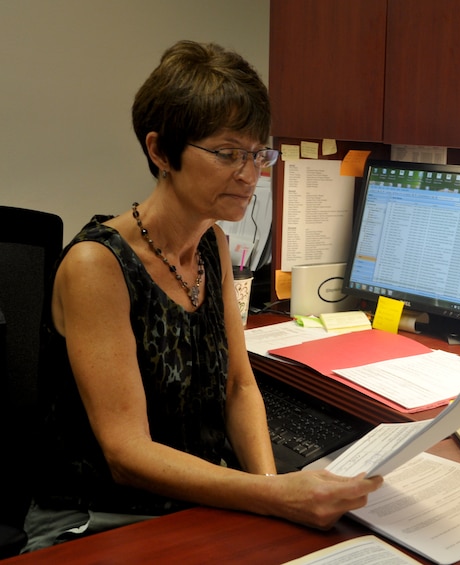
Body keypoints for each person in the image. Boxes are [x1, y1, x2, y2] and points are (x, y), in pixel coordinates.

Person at [22, 40, 382, 552]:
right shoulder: (97, 266)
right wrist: (272, 498)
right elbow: (127, 454)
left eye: (258, 154)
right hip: (99, 517)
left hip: (199, 502)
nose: (249, 173)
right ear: (160, 151)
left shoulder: (212, 242)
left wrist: (274, 493)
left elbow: (239, 386)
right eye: (226, 153)